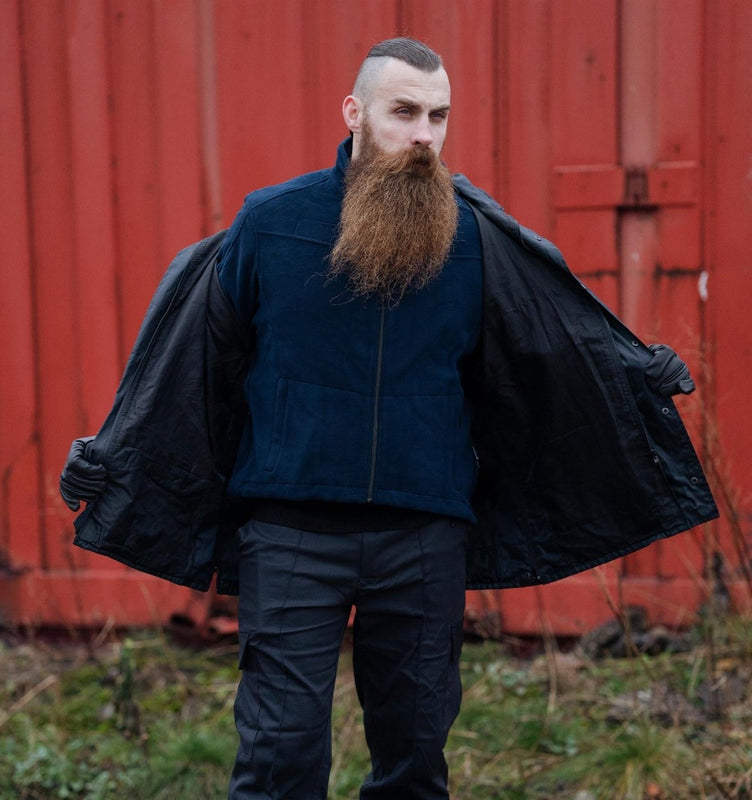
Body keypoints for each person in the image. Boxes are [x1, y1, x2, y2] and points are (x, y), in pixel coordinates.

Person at [60, 38, 717, 800]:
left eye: (439, 116)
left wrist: (630, 378)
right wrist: (119, 449)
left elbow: (542, 345)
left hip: (424, 538)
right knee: (279, 761)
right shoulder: (272, 224)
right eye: (404, 112)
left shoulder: (472, 239)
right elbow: (196, 357)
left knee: (412, 766)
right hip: (293, 533)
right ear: (355, 113)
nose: (424, 135)